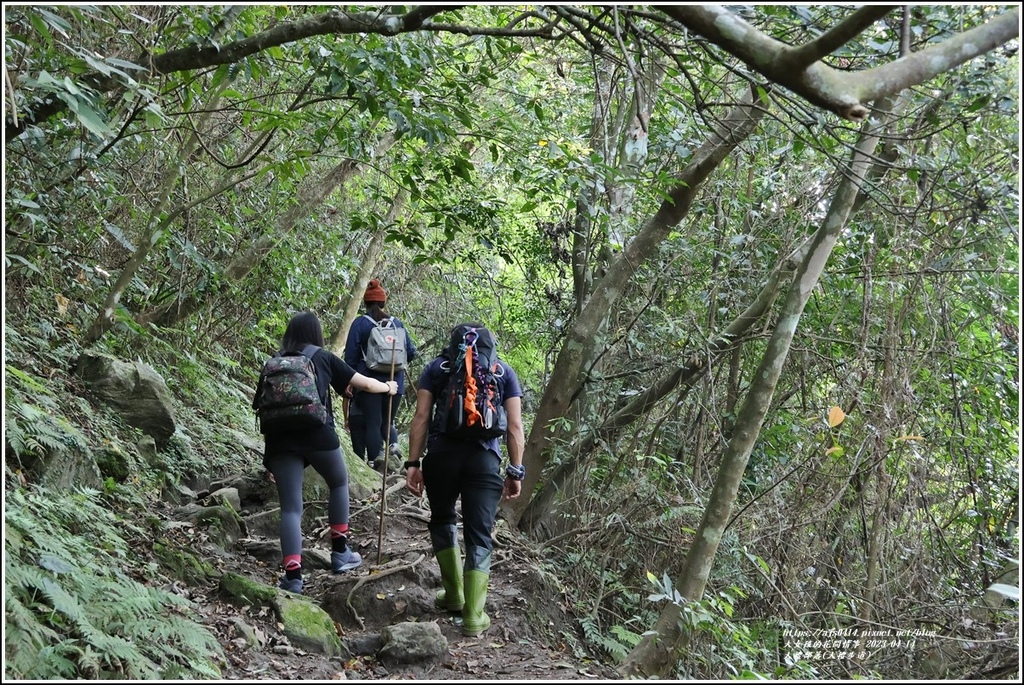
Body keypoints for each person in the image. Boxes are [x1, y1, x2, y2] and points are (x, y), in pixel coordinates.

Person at [257, 311, 398, 594]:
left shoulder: (273, 362)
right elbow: (365, 383)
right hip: (317, 433)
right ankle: (340, 552)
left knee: (290, 508)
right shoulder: (322, 357)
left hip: (280, 440)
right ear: (316, 333)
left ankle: (294, 577)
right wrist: (388, 386)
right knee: (338, 482)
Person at [404, 322, 526, 637]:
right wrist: (515, 471)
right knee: (479, 533)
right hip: (484, 461)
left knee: (442, 518)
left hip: (441, 457)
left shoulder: (437, 368)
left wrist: (413, 463)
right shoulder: (503, 373)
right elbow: (514, 427)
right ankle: (473, 615)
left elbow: (421, 418)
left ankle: (454, 594)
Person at [344, 278, 417, 469]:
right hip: (396, 382)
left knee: (373, 422)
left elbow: (350, 358)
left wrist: (351, 380)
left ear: (365, 303)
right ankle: (393, 453)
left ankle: (374, 463)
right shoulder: (397, 324)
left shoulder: (360, 323)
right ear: (384, 302)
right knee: (388, 421)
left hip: (368, 382)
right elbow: (411, 352)